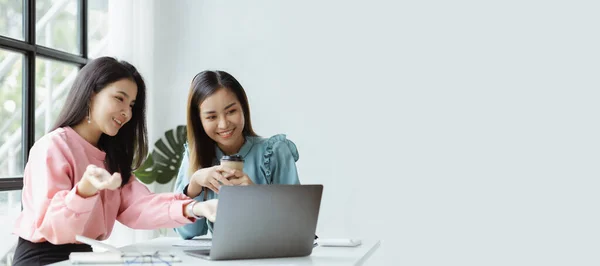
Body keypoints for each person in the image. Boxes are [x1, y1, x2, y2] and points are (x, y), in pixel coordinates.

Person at [11, 57, 217, 266]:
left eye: (132, 105)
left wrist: (195, 209)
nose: (127, 113)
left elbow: (141, 206)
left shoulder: (110, 158)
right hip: (42, 259)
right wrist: (84, 190)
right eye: (120, 99)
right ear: (91, 94)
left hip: (82, 255)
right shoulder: (52, 147)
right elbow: (55, 227)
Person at [173, 70, 300, 239]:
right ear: (199, 121)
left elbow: (296, 224)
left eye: (231, 111)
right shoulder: (194, 156)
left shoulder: (275, 152)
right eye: (211, 117)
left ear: (243, 108)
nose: (224, 124)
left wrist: (256, 196)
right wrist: (195, 183)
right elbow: (188, 233)